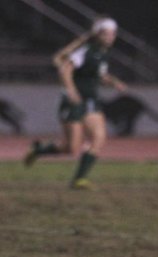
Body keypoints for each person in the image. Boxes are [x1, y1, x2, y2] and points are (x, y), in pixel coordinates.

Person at [24, 17, 127, 190]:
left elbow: (100, 75)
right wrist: (71, 91)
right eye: (107, 33)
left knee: (98, 138)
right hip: (73, 102)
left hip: (91, 101)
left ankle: (79, 179)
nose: (110, 37)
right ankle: (39, 150)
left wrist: (114, 82)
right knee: (71, 148)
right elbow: (64, 68)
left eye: (113, 34)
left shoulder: (102, 53)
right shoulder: (87, 50)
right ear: (98, 34)